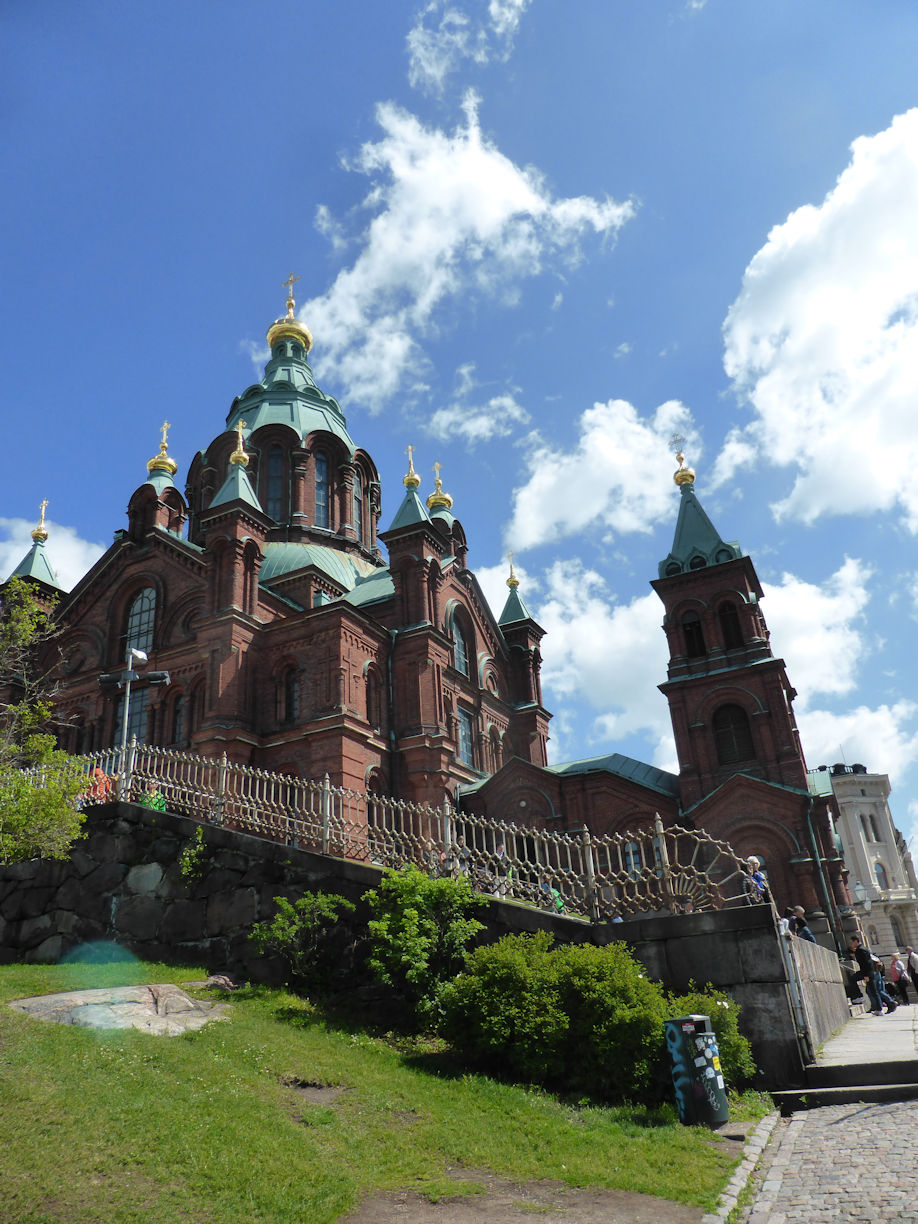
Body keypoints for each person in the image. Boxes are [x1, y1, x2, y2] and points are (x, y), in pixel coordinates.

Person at [848, 935, 897, 1015]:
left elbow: (866, 963)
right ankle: (878, 1008)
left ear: (855, 941)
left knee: (874, 990)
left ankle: (861, 997)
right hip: (871, 972)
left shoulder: (860, 950)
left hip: (868, 972)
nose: (851, 944)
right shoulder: (864, 949)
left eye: (852, 942)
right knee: (874, 991)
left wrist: (866, 975)